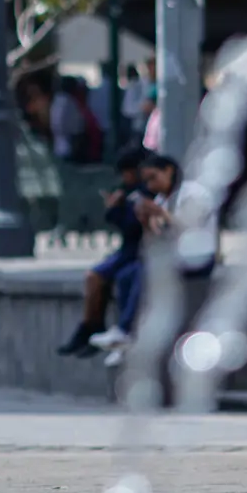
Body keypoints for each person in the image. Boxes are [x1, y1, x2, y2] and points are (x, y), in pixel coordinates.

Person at [88, 154, 218, 367]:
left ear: (168, 171)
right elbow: (156, 240)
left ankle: (125, 331)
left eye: (153, 178)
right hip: (175, 257)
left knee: (147, 271)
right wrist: (146, 222)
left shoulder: (193, 193)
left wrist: (162, 214)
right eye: (146, 181)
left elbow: (189, 226)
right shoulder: (161, 200)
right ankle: (126, 336)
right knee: (126, 275)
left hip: (198, 257)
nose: (151, 185)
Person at [57, 146, 148, 358]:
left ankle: (106, 329)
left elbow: (133, 226)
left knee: (121, 277)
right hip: (128, 249)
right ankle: (90, 326)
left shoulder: (144, 193)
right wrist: (114, 207)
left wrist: (117, 209)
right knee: (94, 277)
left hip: (137, 250)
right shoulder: (127, 190)